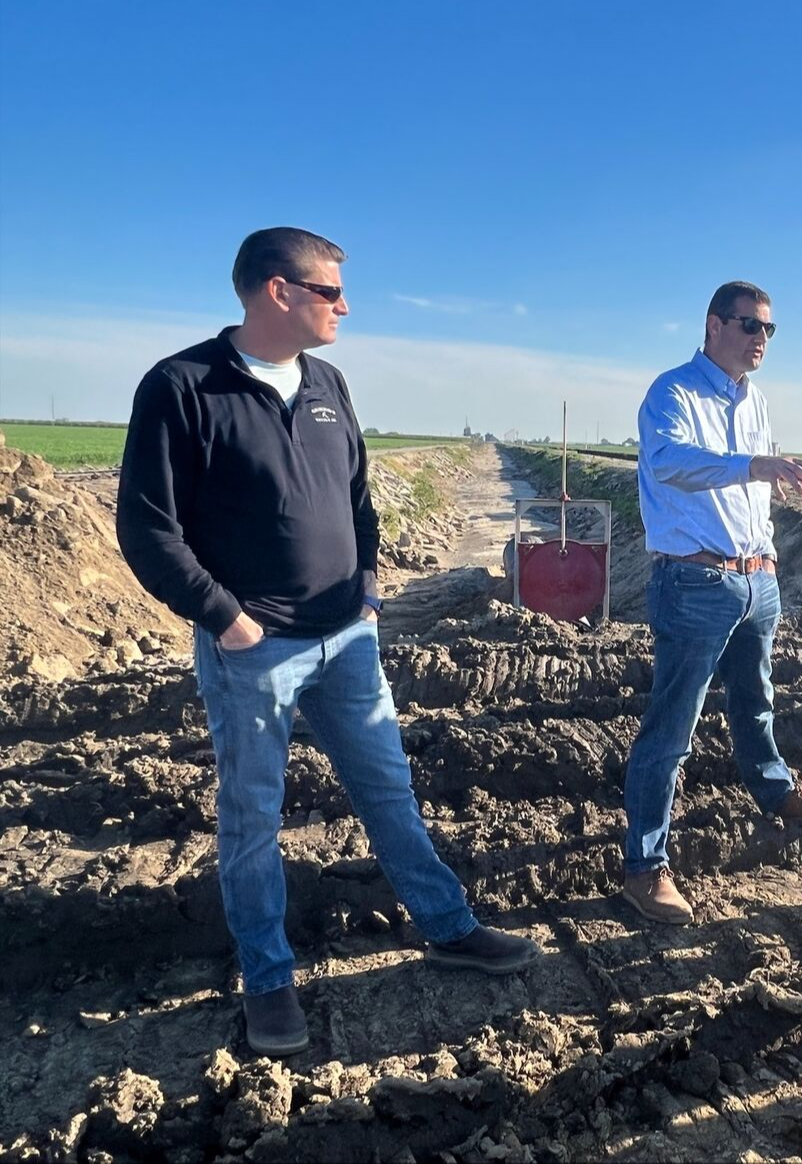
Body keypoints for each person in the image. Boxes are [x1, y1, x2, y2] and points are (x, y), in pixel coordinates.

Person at [116, 228, 535, 1058]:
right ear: (277, 291)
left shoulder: (329, 383)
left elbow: (358, 498)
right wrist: (226, 618)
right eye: (329, 291)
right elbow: (147, 528)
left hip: (347, 638)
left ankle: (449, 926)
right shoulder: (183, 386)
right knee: (252, 818)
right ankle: (269, 981)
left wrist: (369, 592)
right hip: (254, 650)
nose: (345, 306)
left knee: (389, 790)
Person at [622, 280, 802, 924]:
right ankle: (644, 867)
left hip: (756, 580)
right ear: (713, 325)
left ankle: (778, 795)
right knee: (672, 726)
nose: (760, 340)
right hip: (695, 583)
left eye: (768, 330)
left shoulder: (755, 401)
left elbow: (750, 486)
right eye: (749, 325)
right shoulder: (672, 392)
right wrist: (755, 465)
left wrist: (768, 547)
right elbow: (669, 462)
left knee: (756, 703)